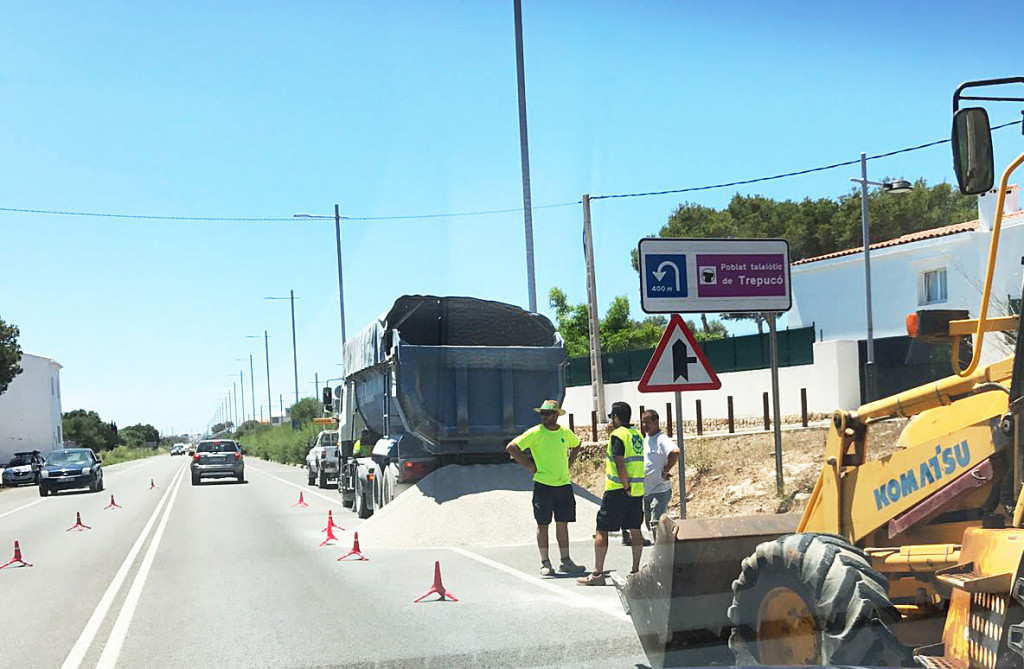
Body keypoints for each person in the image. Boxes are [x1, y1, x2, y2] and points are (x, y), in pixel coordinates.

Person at [507, 399, 587, 576]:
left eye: (547, 413)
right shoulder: (536, 433)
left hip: (563, 484)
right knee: (543, 524)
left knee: (562, 523)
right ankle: (545, 562)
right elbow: (512, 447)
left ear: (556, 415)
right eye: (542, 413)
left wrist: (569, 463)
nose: (544, 417)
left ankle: (565, 561)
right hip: (543, 485)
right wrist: (530, 466)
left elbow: (577, 443)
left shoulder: (565, 432)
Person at [578, 401, 645, 586]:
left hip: (618, 490)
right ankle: (635, 572)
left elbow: (619, 461)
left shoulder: (617, 435)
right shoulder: (637, 434)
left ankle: (598, 575)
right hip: (637, 491)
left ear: (615, 417)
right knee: (635, 529)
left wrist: (625, 486)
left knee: (602, 529)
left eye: (612, 417)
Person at [640, 409, 679, 541]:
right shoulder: (646, 439)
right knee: (650, 524)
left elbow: (675, 452)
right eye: (643, 422)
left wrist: (666, 470)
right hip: (646, 491)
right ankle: (668, 539)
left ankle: (661, 557)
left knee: (656, 524)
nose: (645, 426)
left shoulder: (661, 439)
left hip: (659, 490)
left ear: (656, 422)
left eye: (648, 422)